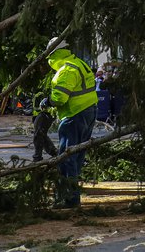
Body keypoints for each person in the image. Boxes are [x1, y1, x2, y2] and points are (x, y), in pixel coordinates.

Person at [48, 38, 98, 208]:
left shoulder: (66, 69)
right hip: (88, 112)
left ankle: (69, 198)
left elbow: (59, 98)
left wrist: (47, 102)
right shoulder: (79, 63)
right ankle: (72, 197)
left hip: (74, 115)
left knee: (67, 157)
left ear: (53, 53)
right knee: (76, 157)